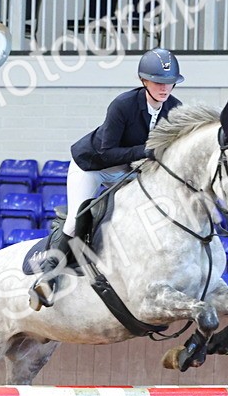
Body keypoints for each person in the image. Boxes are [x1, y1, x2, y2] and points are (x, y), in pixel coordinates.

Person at [29, 48, 185, 309]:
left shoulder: (175, 108)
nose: (164, 88)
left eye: (169, 82)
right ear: (144, 81)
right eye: (158, 82)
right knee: (76, 218)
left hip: (129, 169)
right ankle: (48, 276)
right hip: (94, 166)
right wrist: (146, 151)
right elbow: (106, 150)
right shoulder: (123, 105)